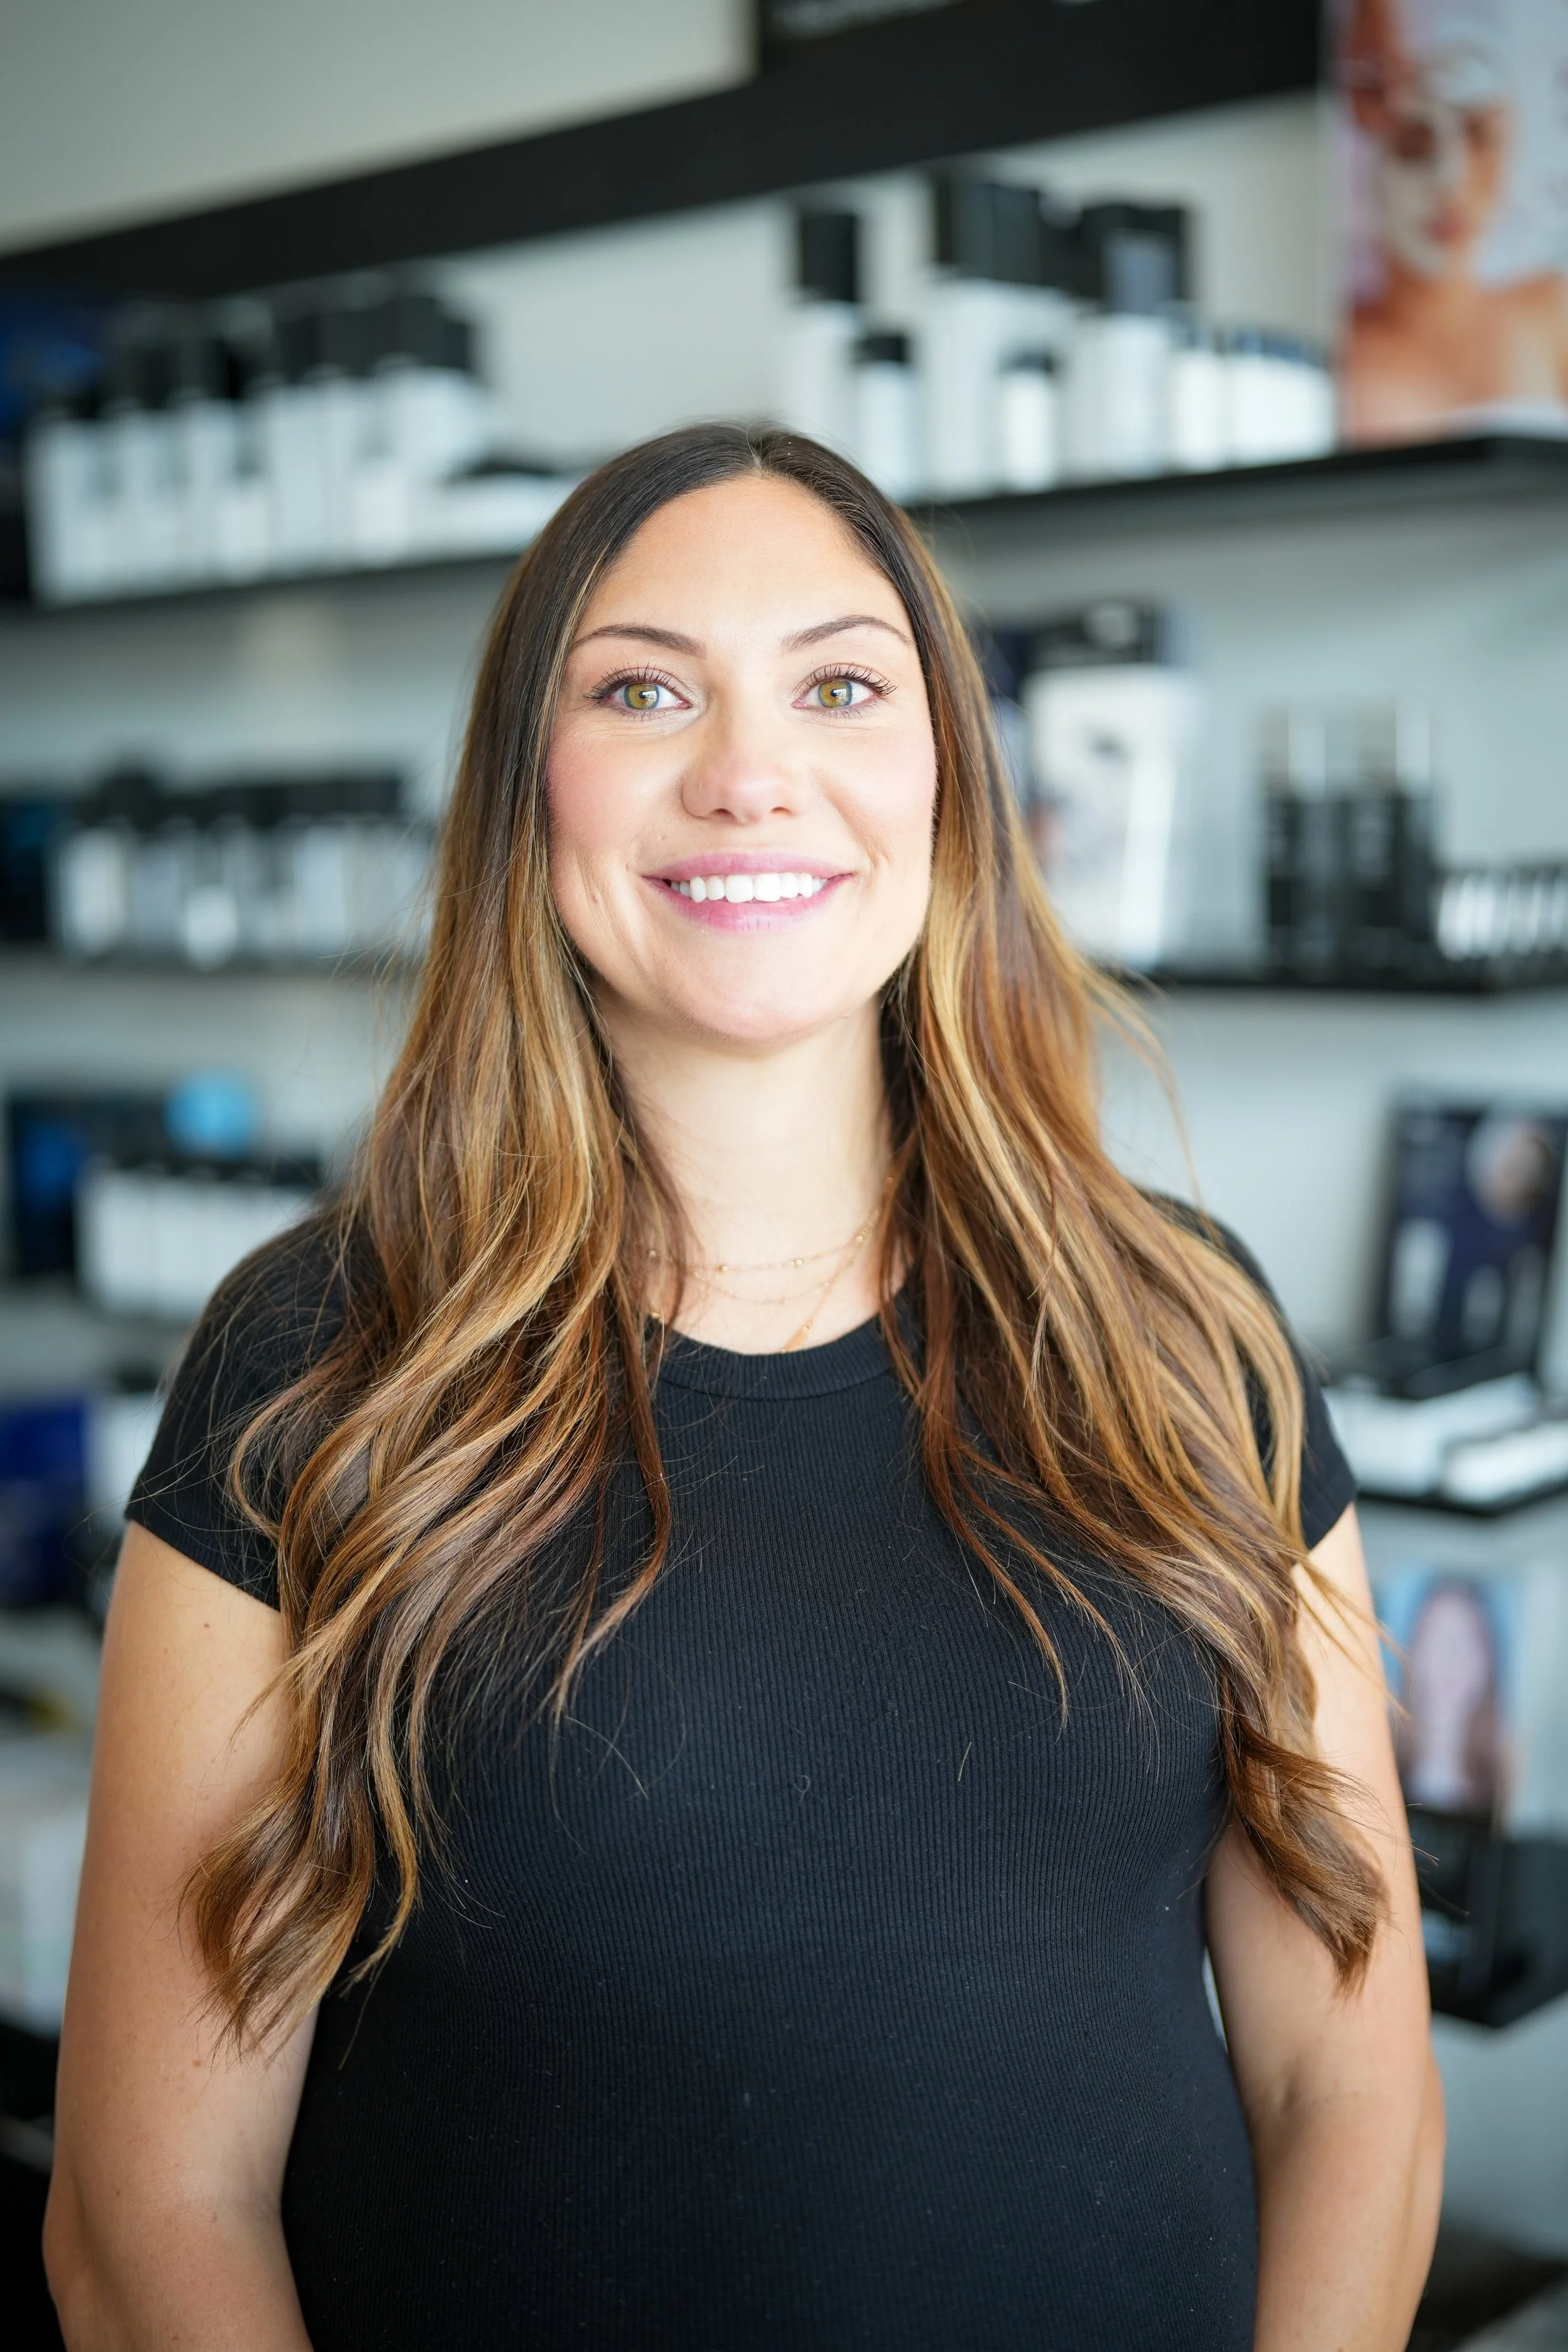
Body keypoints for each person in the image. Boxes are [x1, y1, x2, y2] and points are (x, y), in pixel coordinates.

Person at [45, 424, 1442, 2351]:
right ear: (522, 797)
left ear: (949, 779)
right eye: (640, 690)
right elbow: (150, 2213)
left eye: (841, 685)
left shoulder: (1188, 1336)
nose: (746, 773)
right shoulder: (318, 1365)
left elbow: (1344, 2082)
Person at [1340, 0, 1568, 442]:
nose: (1450, 182)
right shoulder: (1344, 357)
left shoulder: (1552, 315)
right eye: (1415, 142)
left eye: (1480, 136)